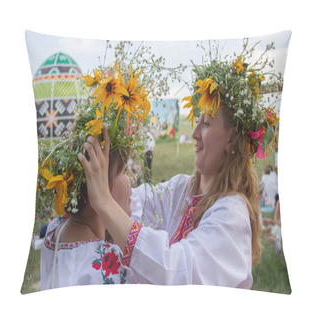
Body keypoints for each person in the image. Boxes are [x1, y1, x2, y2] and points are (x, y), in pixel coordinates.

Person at [78, 43, 281, 288]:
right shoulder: (182, 189)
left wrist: (104, 202)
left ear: (231, 138)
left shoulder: (232, 216)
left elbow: (174, 271)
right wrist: (88, 187)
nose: (194, 133)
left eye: (205, 123)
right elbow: (133, 201)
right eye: (196, 121)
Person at [38, 61, 151, 290]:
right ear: (99, 184)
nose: (133, 179)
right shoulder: (106, 266)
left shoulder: (55, 231)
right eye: (124, 170)